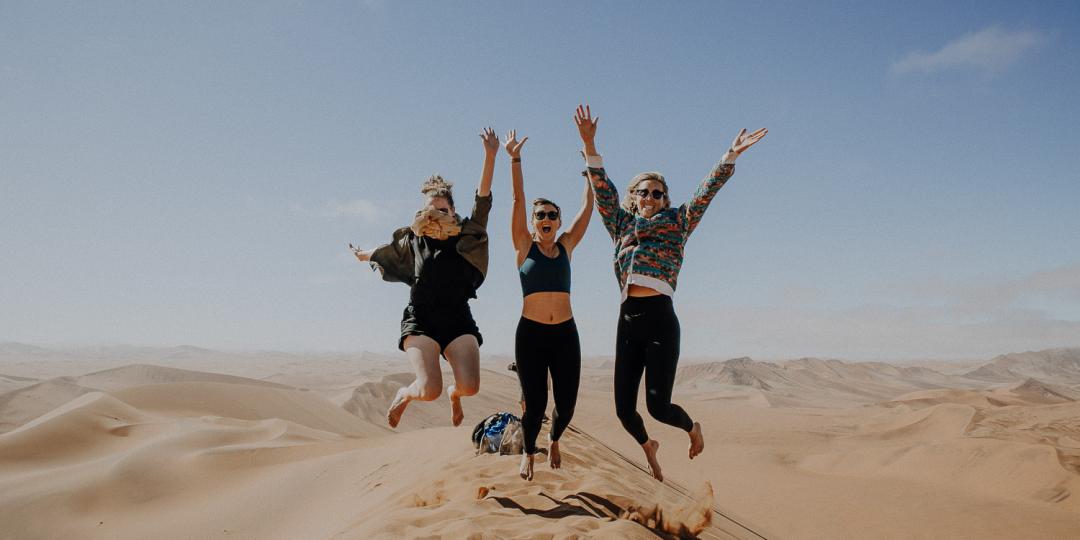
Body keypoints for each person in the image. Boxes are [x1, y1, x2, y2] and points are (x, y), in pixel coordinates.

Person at [574, 105, 766, 481]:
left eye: (657, 193)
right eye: (644, 192)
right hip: (628, 322)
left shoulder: (678, 221)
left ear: (665, 198)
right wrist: (590, 145)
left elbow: (705, 194)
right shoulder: (620, 224)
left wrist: (729, 156)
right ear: (634, 197)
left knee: (658, 407)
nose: (650, 197)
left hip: (661, 321)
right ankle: (649, 445)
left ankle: (693, 428)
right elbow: (603, 192)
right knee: (624, 411)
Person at [350, 128, 499, 428]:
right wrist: (364, 254)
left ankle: (455, 395)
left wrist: (490, 155)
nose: (436, 217)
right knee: (429, 390)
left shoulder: (468, 233)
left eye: (442, 211)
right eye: (430, 212)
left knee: (470, 386)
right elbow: (388, 250)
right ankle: (405, 394)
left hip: (458, 318)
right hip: (421, 319)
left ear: (453, 211)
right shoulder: (415, 239)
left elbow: (483, 199)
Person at [505, 129, 593, 481]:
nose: (545, 219)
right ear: (533, 222)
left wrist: (590, 169)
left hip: (565, 335)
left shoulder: (567, 246)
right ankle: (529, 452)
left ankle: (554, 439)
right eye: (540, 215)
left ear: (559, 220)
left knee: (567, 405)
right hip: (531, 335)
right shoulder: (524, 246)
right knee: (535, 404)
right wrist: (515, 159)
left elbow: (588, 209)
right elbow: (518, 199)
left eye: (552, 215)